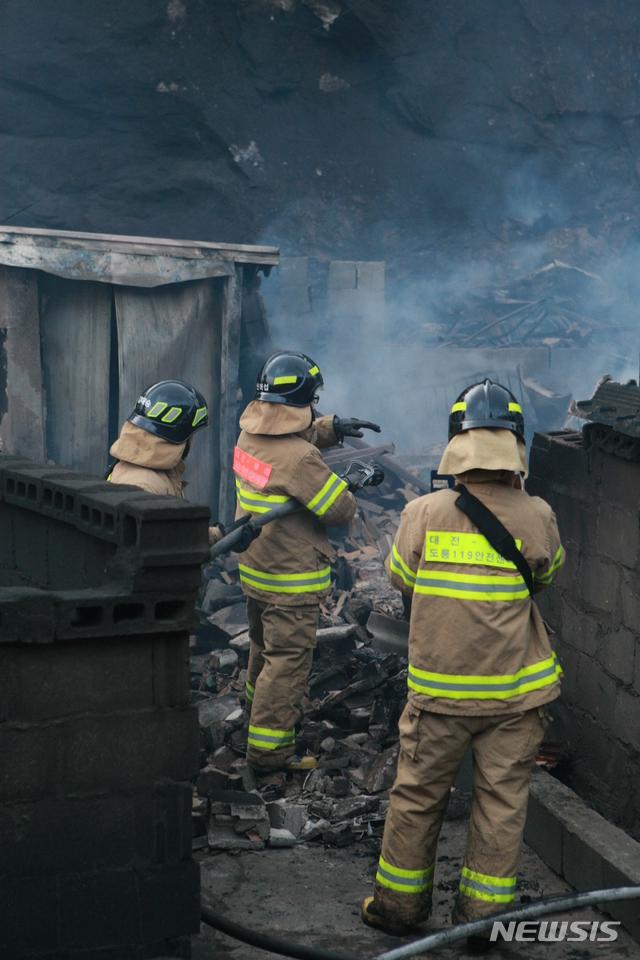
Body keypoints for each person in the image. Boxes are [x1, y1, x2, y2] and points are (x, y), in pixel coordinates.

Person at [362, 379, 564, 949]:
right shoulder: (538, 515)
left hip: (439, 698)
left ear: (458, 443)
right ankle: (482, 924)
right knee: (501, 805)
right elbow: (546, 577)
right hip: (514, 698)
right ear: (514, 445)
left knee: (417, 797)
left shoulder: (423, 512)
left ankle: (397, 909)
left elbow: (401, 578)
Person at [235, 350, 381, 771]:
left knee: (263, 649)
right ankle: (269, 754)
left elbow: (285, 436)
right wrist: (353, 485)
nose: (315, 407)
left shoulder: (249, 437)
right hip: (290, 580)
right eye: (312, 401)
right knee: (287, 663)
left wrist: (331, 428)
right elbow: (339, 511)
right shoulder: (301, 461)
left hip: (256, 568)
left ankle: (252, 720)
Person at [108, 379, 257, 551]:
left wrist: (221, 537)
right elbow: (160, 550)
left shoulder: (146, 470)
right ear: (179, 437)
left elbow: (173, 532)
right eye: (191, 435)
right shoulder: (146, 487)